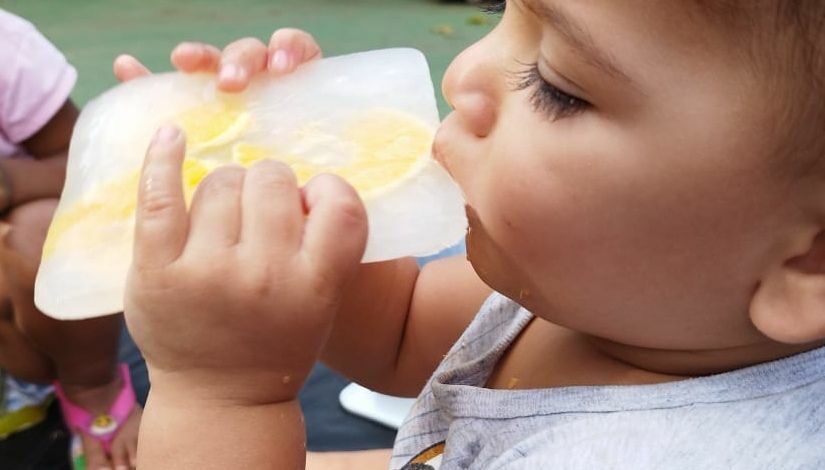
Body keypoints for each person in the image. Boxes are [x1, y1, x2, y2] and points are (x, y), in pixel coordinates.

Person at [119, 0, 825, 468]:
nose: (463, 75)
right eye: (503, 14)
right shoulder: (609, 299)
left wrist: (218, 392)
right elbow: (397, 332)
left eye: (557, 86)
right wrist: (308, 184)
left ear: (808, 262)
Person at [0, 8, 141, 470]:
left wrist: (8, 182)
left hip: (22, 299)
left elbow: (82, 165)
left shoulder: (7, 50)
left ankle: (93, 387)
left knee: (42, 232)